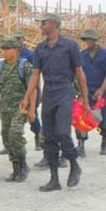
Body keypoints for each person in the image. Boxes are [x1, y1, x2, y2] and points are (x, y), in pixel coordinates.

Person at [19, 13, 90, 192]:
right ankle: (54, 179)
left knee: (62, 133)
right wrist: (27, 98)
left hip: (65, 91)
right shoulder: (40, 48)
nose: (40, 27)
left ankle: (74, 164)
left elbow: (80, 73)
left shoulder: (70, 46)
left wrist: (86, 100)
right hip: (49, 93)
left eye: (42, 24)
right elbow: (36, 74)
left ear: (53, 24)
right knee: (49, 137)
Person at [0, 37, 36, 182]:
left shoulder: (24, 65)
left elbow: (32, 89)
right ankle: (16, 168)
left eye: (8, 49)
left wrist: (32, 110)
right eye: (3, 49)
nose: (5, 52)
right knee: (6, 138)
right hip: (5, 108)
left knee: (15, 134)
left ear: (17, 50)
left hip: (20, 108)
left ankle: (23, 164)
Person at [75, 29, 106, 156]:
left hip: (101, 92)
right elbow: (77, 74)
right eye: (85, 40)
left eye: (89, 39)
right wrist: (80, 92)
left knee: (102, 118)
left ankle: (104, 141)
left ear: (95, 40)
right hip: (85, 91)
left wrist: (101, 90)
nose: (87, 42)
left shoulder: (105, 54)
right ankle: (81, 144)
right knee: (82, 119)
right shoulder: (82, 55)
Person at [14, 31, 44, 155]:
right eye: (15, 39)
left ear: (23, 39)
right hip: (15, 90)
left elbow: (37, 74)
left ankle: (38, 136)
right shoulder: (12, 53)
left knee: (33, 116)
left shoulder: (29, 55)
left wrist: (39, 91)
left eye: (19, 38)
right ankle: (10, 143)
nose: (17, 41)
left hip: (30, 89)